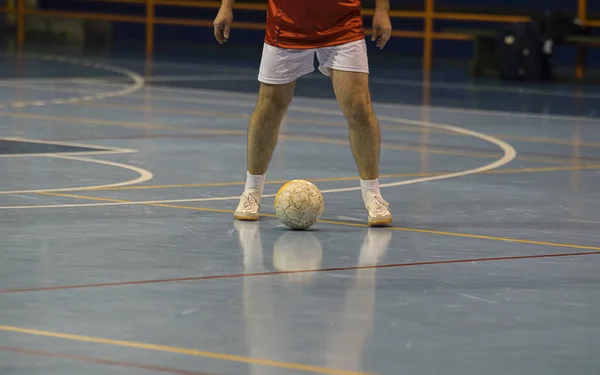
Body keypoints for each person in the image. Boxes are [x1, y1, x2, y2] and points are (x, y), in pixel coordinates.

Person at [213, 0, 393, 227]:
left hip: (343, 23)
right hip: (286, 21)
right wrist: (226, 6)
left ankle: (373, 194)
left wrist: (381, 10)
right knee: (269, 107)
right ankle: (252, 191)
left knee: (359, 108)